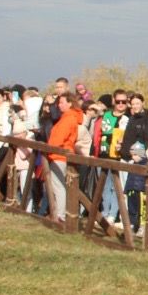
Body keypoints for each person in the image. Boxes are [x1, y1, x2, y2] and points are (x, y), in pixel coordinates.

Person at [45, 92, 83, 223]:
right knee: (59, 185)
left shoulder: (68, 119)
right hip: (59, 155)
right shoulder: (68, 117)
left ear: (70, 103)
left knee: (58, 186)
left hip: (59, 155)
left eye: (62, 102)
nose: (59, 105)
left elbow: (58, 139)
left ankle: (60, 215)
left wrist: (48, 148)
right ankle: (59, 213)